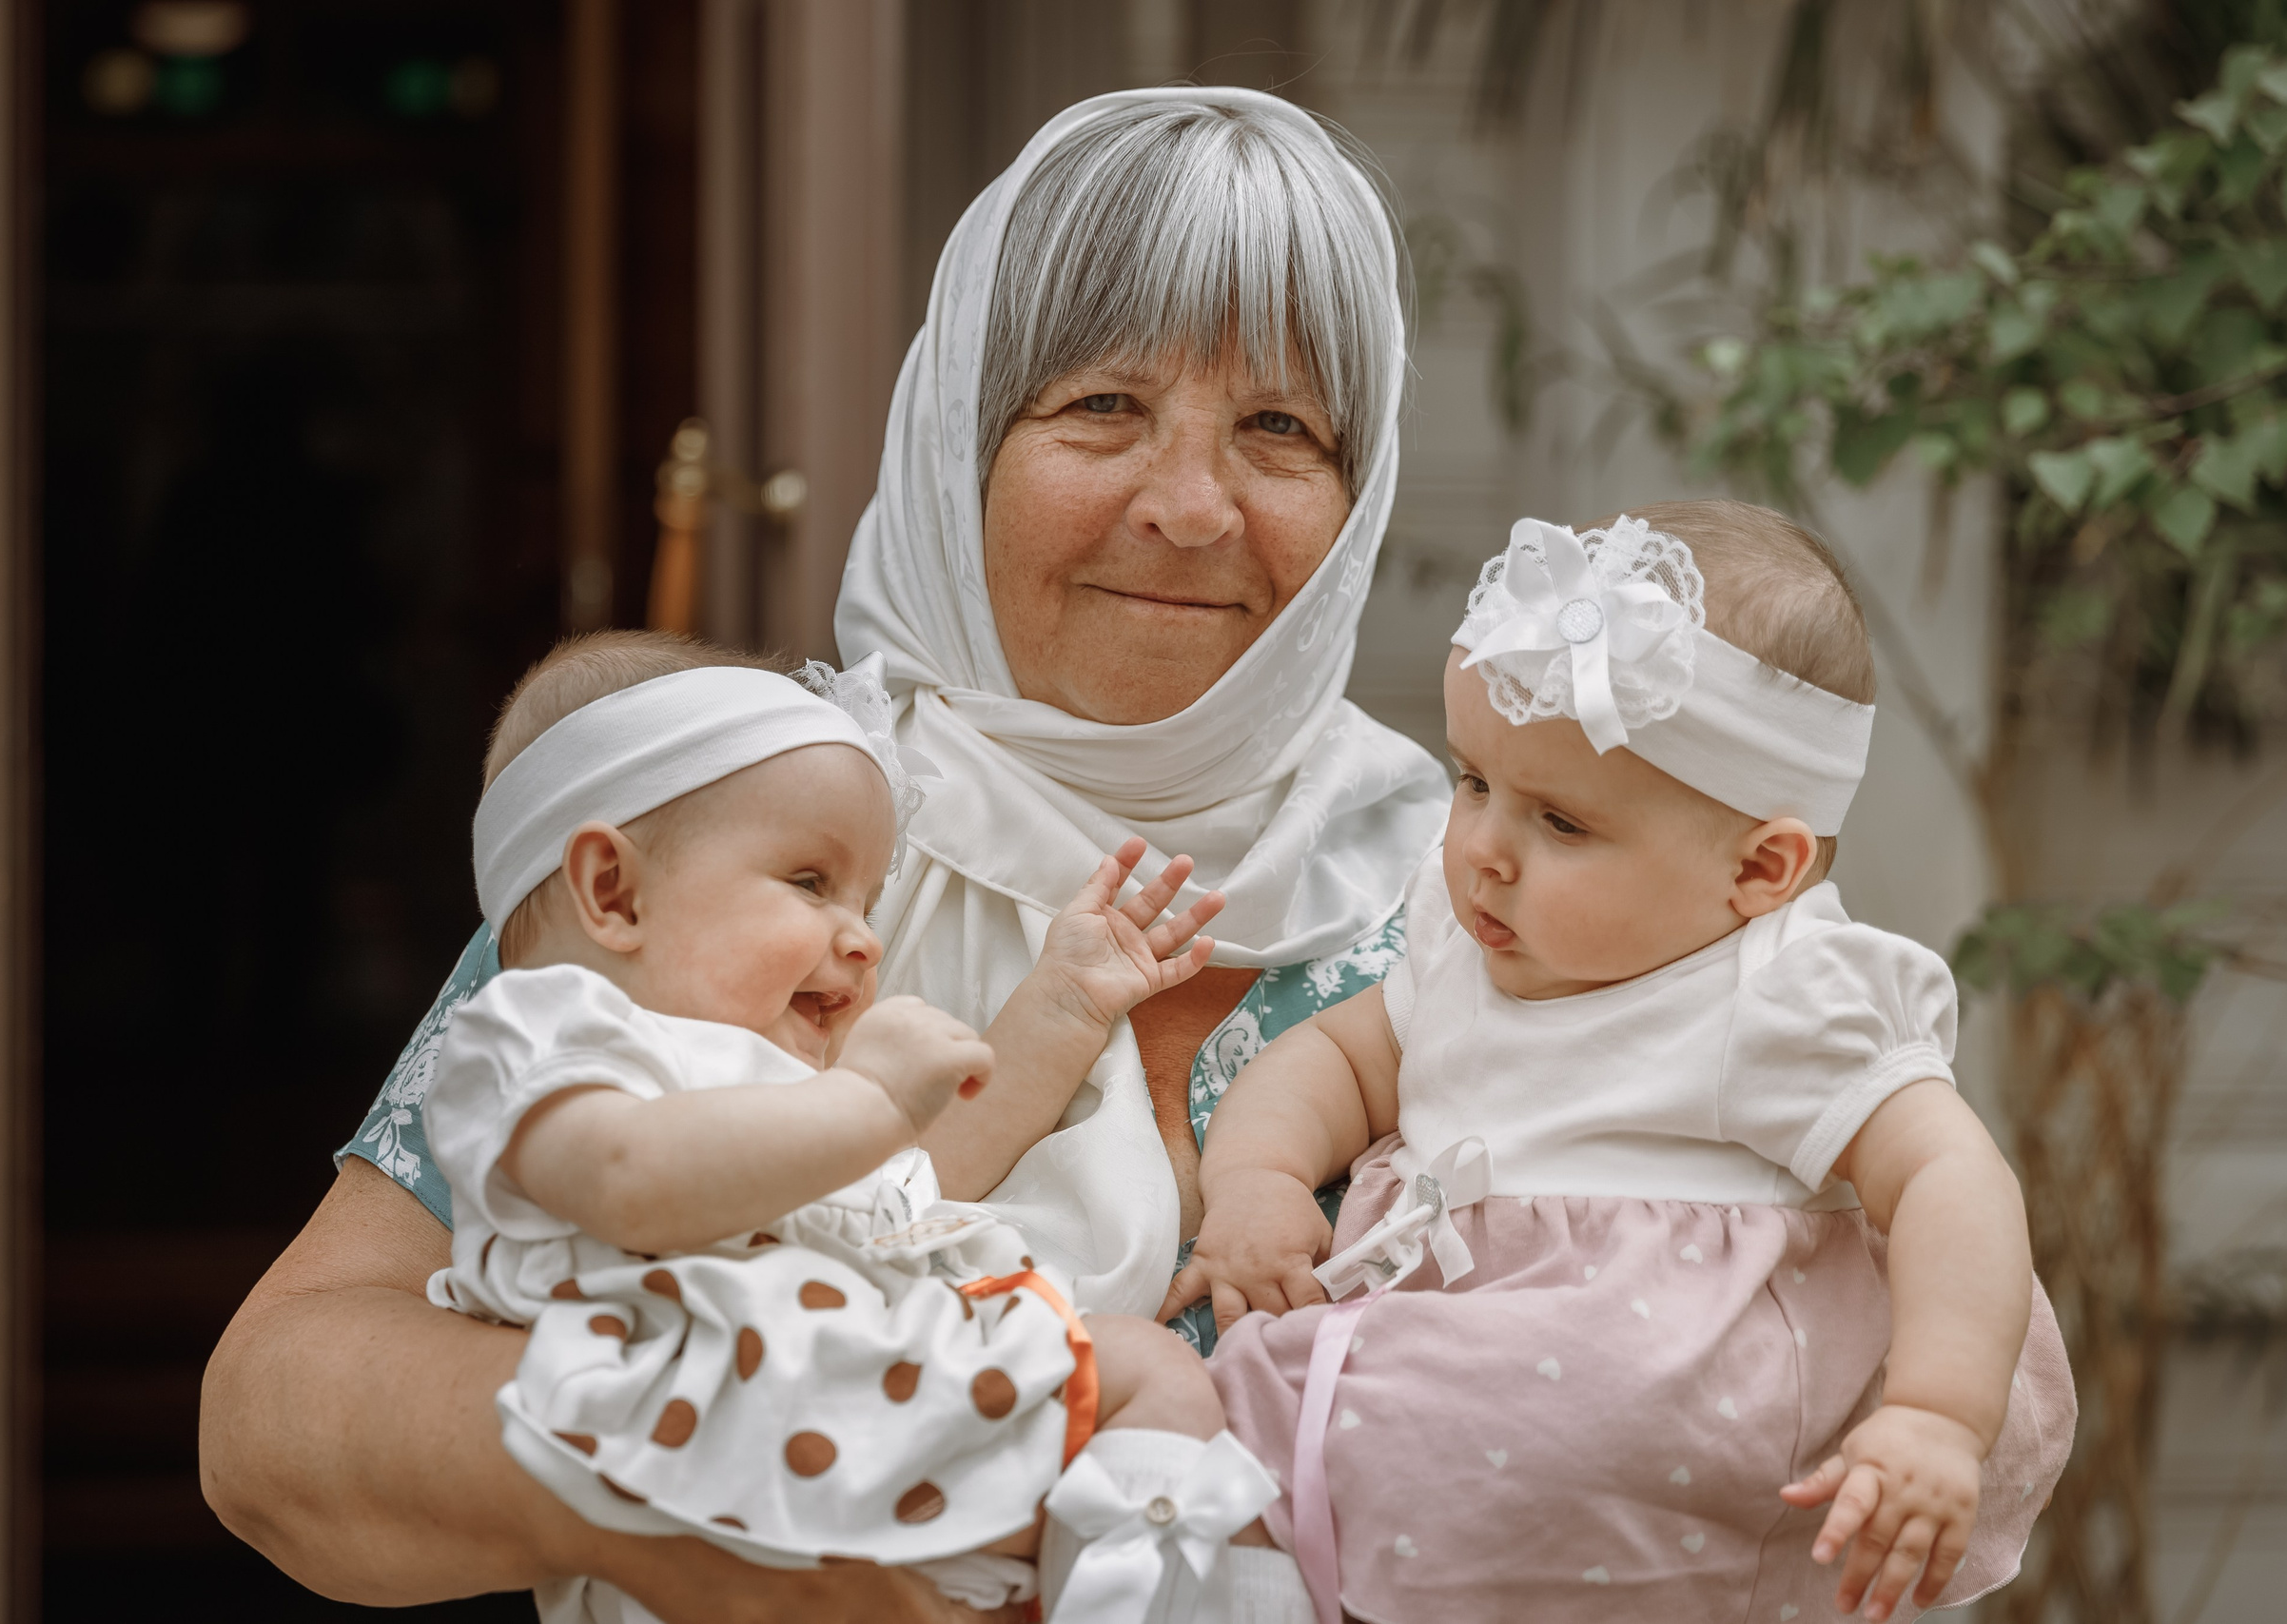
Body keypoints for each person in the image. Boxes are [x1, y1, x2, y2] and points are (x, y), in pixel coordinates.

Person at [199, 87, 1447, 1622]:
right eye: (1102, 406)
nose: (1192, 508)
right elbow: (276, 1417)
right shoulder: (740, 827)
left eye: (1280, 428)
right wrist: (719, 1521)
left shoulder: (1491, 884)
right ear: (956, 441)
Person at [1169, 501, 2077, 1624]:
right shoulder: (1459, 946)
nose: (1483, 850)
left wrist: (1937, 1413)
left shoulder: (1781, 990)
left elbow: (1948, 1176)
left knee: (1548, 1424)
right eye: (1472, 781)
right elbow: (1334, 1061)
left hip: (1656, 1407)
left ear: (1760, 870)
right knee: (1216, 1410)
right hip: (1444, 1371)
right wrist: (1255, 1181)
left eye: (1560, 823)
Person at [423, 634, 1283, 1624]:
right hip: (738, 1446)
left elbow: (920, 1179)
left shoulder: (789, 1080)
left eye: (868, 900)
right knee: (1141, 1377)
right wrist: (868, 1100)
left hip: (840, 1433)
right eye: (809, 882)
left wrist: (1065, 1006)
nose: (865, 936)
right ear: (614, 892)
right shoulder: (544, 1039)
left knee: (1146, 1377)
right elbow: (626, 1182)